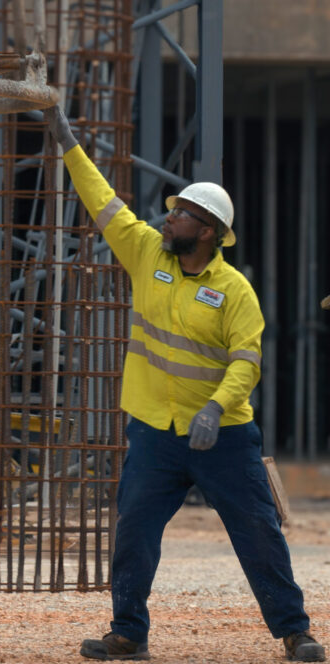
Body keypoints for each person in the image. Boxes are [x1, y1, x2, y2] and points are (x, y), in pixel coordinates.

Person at [45, 106, 326, 663]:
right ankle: (128, 633)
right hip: (154, 432)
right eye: (170, 213)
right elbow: (105, 206)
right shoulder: (149, 253)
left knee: (259, 536)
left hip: (224, 438)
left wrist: (216, 409)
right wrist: (68, 144)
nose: (166, 220)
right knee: (133, 533)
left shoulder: (236, 292)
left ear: (207, 231)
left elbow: (246, 364)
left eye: (179, 216)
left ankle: (295, 633)